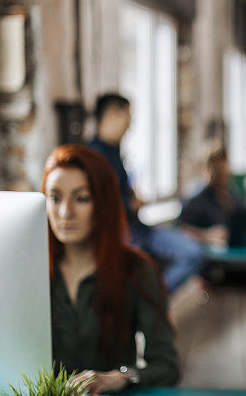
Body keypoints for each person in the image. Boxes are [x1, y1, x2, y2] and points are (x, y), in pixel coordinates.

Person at [42, 144, 180, 395]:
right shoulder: (32, 273)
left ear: (103, 203)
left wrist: (120, 377)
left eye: (81, 198)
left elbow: (167, 367)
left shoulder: (136, 270)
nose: (65, 213)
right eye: (55, 197)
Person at [87, 93, 207, 292]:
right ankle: (148, 302)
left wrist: (133, 198)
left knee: (192, 253)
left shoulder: (115, 152)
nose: (130, 124)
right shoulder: (94, 157)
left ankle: (153, 300)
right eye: (128, 116)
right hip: (122, 236)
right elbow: (99, 206)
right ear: (112, 115)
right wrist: (128, 205)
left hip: (139, 229)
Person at [179, 147, 242, 245]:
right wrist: (207, 236)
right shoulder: (196, 201)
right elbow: (181, 231)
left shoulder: (233, 197)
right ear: (208, 169)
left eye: (224, 172)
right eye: (218, 172)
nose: (222, 176)